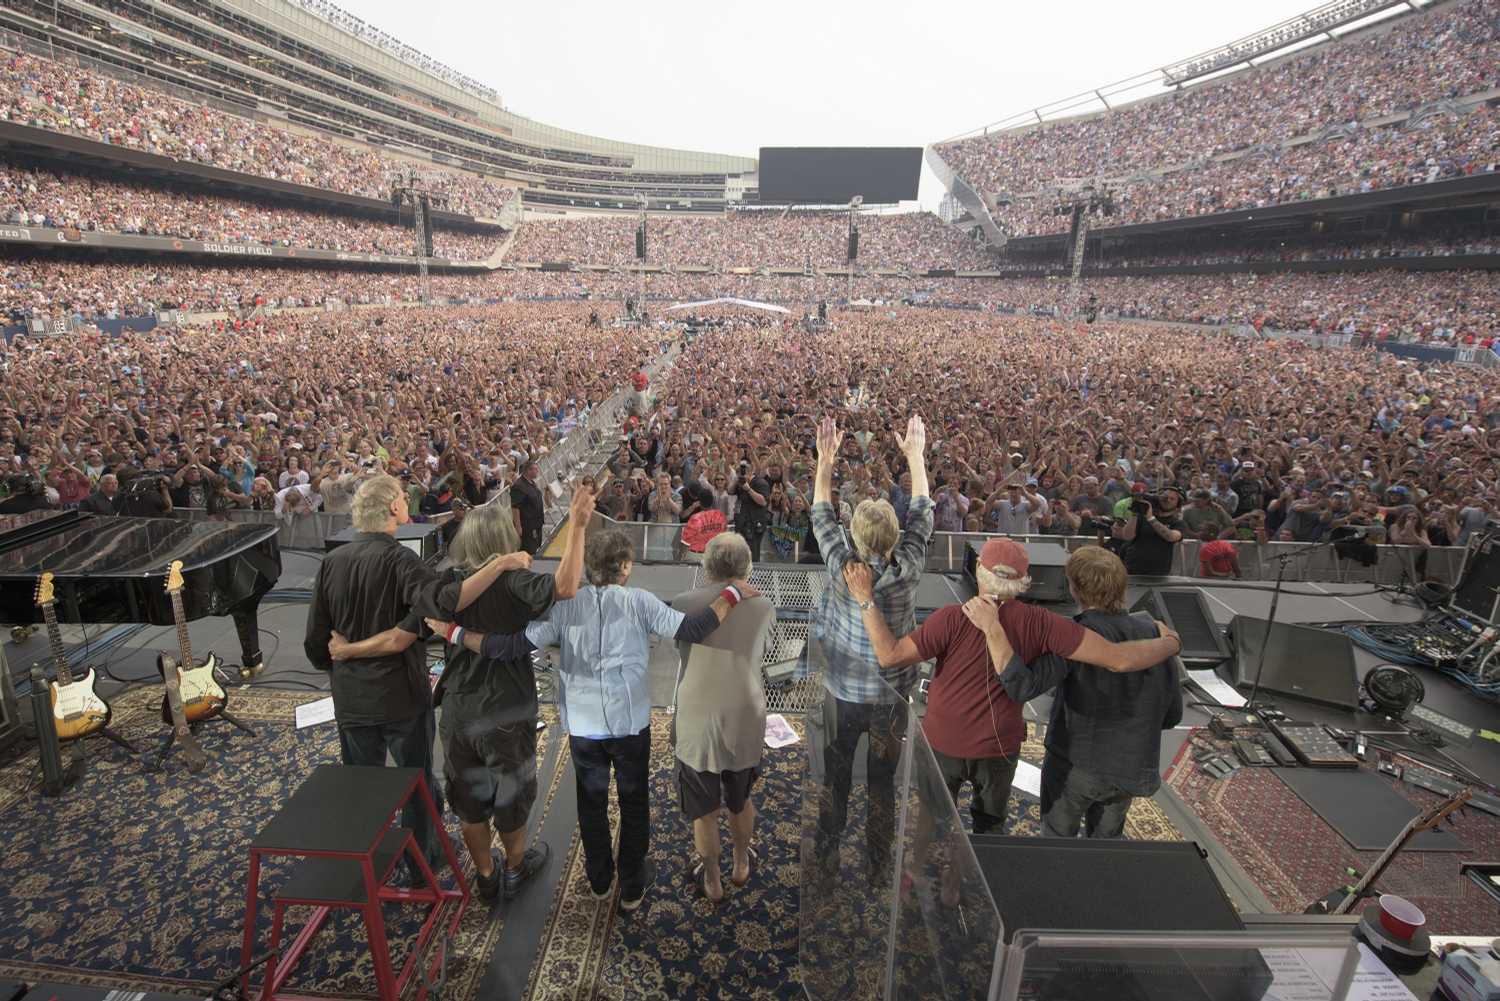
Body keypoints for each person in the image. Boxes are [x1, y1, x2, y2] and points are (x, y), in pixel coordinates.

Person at [435, 529, 759, 911]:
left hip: (584, 728)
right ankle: (633, 887)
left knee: (591, 805)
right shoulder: (640, 601)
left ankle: (600, 882)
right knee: (634, 804)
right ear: (624, 567)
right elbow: (695, 628)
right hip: (629, 726)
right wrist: (733, 591)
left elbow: (508, 647)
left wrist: (453, 632)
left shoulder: (566, 605)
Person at [335, 483, 597, 904]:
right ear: (504, 539)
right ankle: (515, 869)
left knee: (469, 800)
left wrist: (348, 650)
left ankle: (486, 876)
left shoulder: (447, 586)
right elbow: (565, 586)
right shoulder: (514, 580)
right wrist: (579, 526)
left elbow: (402, 636)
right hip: (506, 712)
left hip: (457, 711)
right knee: (511, 797)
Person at [844, 537, 1182, 836]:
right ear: (1024, 580)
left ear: (979, 570)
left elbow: (889, 655)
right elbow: (1119, 660)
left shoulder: (949, 617)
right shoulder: (1046, 624)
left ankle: (915, 873)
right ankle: (979, 876)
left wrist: (864, 597)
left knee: (931, 814)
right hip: (999, 749)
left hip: (943, 743)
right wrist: (1170, 644)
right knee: (990, 824)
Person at [304, 474, 530, 873]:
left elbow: (315, 643)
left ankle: (369, 868)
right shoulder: (400, 560)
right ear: (394, 507)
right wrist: (501, 564)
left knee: (364, 788)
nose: (409, 502)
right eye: (403, 498)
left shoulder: (331, 562)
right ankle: (422, 865)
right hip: (400, 698)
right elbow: (441, 604)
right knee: (416, 787)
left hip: (351, 700)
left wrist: (344, 661)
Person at [809, 413, 932, 887]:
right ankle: (880, 863)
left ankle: (827, 854)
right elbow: (922, 511)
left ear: (855, 537)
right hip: (891, 699)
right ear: (896, 536)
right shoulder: (911, 567)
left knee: (836, 775)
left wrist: (825, 460)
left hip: (843, 694)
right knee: (882, 782)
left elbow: (821, 513)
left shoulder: (843, 568)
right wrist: (915, 457)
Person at [985, 546, 1184, 839]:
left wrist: (993, 631)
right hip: (1131, 768)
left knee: (1057, 844)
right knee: (1105, 850)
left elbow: (1022, 687)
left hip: (1076, 767)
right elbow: (1172, 715)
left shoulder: (1074, 635)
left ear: (1075, 589)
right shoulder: (1159, 637)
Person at [670, 532, 776, 903]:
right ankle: (741, 863)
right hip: (745, 716)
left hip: (697, 721)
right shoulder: (765, 605)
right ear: (747, 567)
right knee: (740, 799)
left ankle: (713, 881)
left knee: (705, 814)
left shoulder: (683, 602)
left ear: (707, 565)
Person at [1121, 485, 1186, 575]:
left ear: (1178, 503)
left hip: (1158, 572)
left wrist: (1150, 518)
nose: (1168, 500)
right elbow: (1127, 536)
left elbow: (1171, 537)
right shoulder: (1142, 517)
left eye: (1172, 499)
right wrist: (1135, 514)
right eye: (1165, 497)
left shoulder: (1178, 524)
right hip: (1132, 568)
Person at [512, 459, 546, 555]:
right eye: (535, 469)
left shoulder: (531, 483)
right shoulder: (519, 486)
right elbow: (515, 507)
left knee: (535, 550)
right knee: (528, 553)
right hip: (527, 528)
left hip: (536, 525)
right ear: (529, 471)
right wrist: (518, 526)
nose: (537, 471)